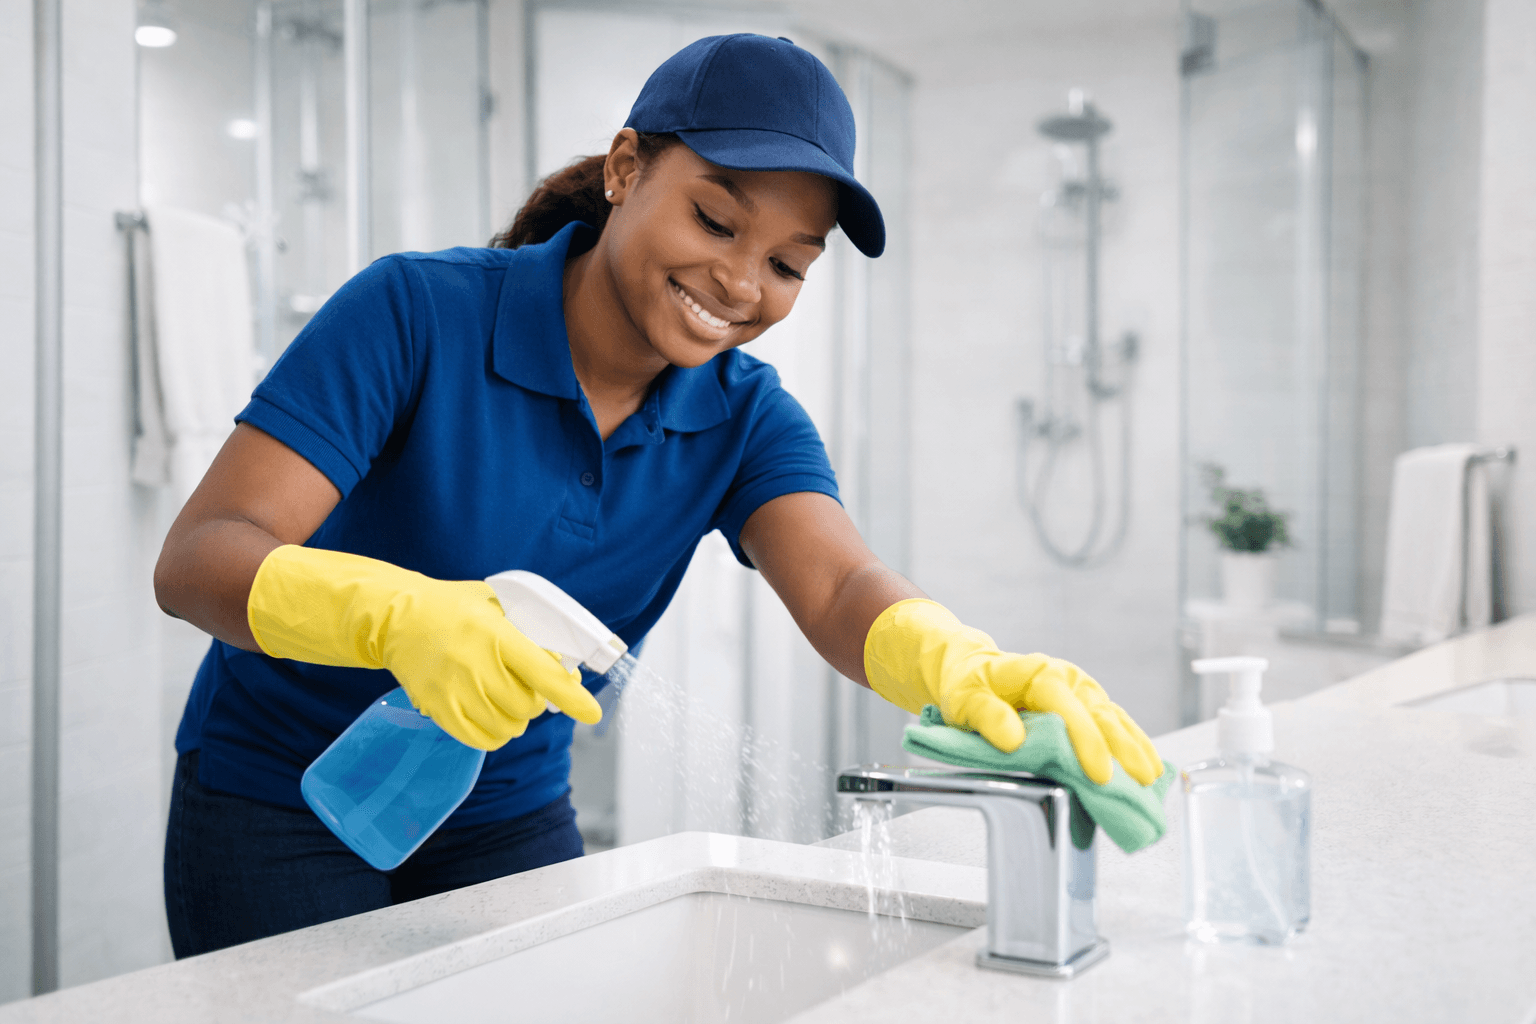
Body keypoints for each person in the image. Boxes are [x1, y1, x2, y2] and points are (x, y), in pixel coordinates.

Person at [154, 33, 1162, 959]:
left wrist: (953, 656)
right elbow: (200, 555)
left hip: (507, 807)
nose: (740, 284)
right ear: (627, 168)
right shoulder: (418, 313)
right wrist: (396, 617)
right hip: (278, 798)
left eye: (787, 264)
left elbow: (839, 585)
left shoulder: (747, 418)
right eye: (716, 220)